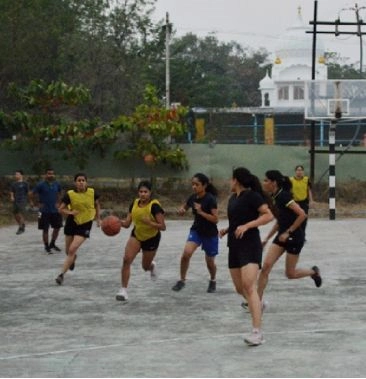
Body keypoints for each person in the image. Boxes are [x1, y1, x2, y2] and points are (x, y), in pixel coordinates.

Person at [219, 167, 274, 346]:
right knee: (239, 288)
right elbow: (237, 220)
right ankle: (259, 303)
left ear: (236, 180)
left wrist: (247, 226)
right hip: (234, 246)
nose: (229, 182)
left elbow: (268, 216)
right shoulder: (233, 199)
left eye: (231, 179)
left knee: (249, 286)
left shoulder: (252, 196)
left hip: (250, 245)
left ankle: (257, 333)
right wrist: (228, 229)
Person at [257, 170, 322, 306]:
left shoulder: (284, 196)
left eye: (266, 180)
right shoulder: (273, 198)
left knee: (290, 274)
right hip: (281, 237)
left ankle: (313, 272)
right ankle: (256, 301)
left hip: (294, 237)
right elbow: (279, 221)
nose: (264, 183)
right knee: (266, 267)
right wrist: (267, 239)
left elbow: (302, 214)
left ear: (273, 183)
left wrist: (289, 232)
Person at [116, 180, 166, 302]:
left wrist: (150, 223)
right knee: (126, 259)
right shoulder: (134, 203)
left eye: (145, 192)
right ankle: (123, 290)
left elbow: (163, 226)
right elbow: (127, 224)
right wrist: (117, 222)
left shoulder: (155, 206)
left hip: (151, 238)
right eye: (141, 191)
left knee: (145, 266)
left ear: (150, 193)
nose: (143, 194)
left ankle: (151, 266)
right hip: (137, 236)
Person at [172, 173, 219, 293]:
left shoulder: (210, 199)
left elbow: (215, 219)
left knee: (210, 263)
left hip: (210, 234)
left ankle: (213, 280)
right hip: (197, 230)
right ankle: (182, 280)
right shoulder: (192, 198)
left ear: (204, 185)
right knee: (186, 254)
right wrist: (181, 210)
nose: (194, 187)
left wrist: (201, 212)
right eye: (192, 184)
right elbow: (185, 207)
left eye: (197, 184)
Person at [55, 173, 101, 285]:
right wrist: (71, 212)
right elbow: (60, 209)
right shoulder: (70, 194)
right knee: (68, 251)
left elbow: (97, 205)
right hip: (72, 222)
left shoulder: (92, 193)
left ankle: (61, 275)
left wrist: (98, 218)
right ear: (75, 183)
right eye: (79, 180)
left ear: (86, 182)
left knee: (72, 249)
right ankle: (73, 258)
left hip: (85, 223)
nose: (81, 182)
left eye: (83, 180)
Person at [31, 168, 63, 253]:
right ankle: (46, 246)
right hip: (43, 211)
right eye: (49, 173)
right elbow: (31, 194)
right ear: (45, 175)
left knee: (57, 227)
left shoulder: (57, 184)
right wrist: (36, 203)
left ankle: (52, 243)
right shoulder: (40, 185)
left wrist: (59, 203)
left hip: (55, 210)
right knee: (45, 229)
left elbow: (60, 193)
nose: (51, 175)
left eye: (52, 174)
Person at [290, 165, 314, 238]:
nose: (299, 172)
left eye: (301, 170)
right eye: (298, 170)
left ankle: (302, 235)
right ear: (295, 171)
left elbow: (309, 190)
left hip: (303, 202)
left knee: (304, 219)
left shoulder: (306, 180)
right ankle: (294, 234)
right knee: (294, 219)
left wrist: (311, 200)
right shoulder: (291, 180)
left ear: (303, 171)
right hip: (294, 202)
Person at [10, 169, 33, 235]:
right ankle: (22, 224)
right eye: (15, 174)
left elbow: (28, 193)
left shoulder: (25, 183)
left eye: (17, 174)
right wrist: (12, 197)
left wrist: (30, 201)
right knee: (15, 214)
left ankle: (20, 228)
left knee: (21, 214)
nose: (16, 175)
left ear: (21, 175)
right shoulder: (14, 184)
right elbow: (11, 191)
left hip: (23, 200)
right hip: (15, 200)